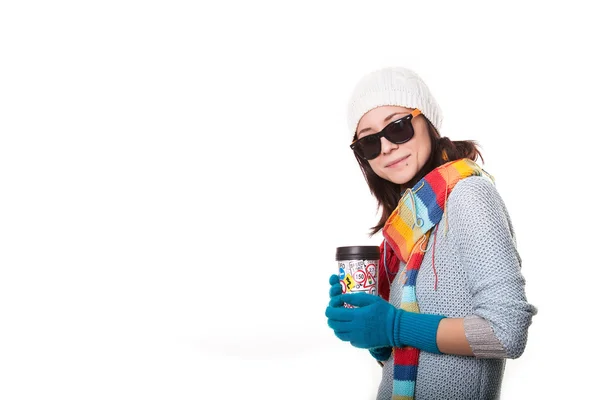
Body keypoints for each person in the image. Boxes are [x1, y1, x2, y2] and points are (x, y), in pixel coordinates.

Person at [325, 66, 537, 400]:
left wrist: (394, 325)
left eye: (398, 127)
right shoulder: (408, 228)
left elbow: (506, 331)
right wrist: (373, 331)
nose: (387, 147)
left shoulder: (468, 195)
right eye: (369, 141)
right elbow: (404, 360)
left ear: (428, 123)